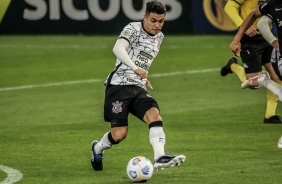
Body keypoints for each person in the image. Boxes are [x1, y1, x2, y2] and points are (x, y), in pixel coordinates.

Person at [90, 0, 186, 171]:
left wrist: (143, 76)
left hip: (138, 86)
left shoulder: (160, 37)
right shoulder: (133, 28)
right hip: (118, 85)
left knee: (155, 116)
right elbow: (118, 49)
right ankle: (97, 148)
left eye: (161, 21)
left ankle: (159, 158)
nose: (157, 25)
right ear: (145, 17)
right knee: (119, 135)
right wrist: (136, 69)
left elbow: (143, 59)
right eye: (153, 20)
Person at [229, 0, 282, 148]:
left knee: (276, 78)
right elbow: (231, 7)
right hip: (251, 39)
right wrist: (239, 33)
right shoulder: (273, 4)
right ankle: (233, 66)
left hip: (266, 39)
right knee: (253, 82)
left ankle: (269, 113)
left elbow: (263, 22)